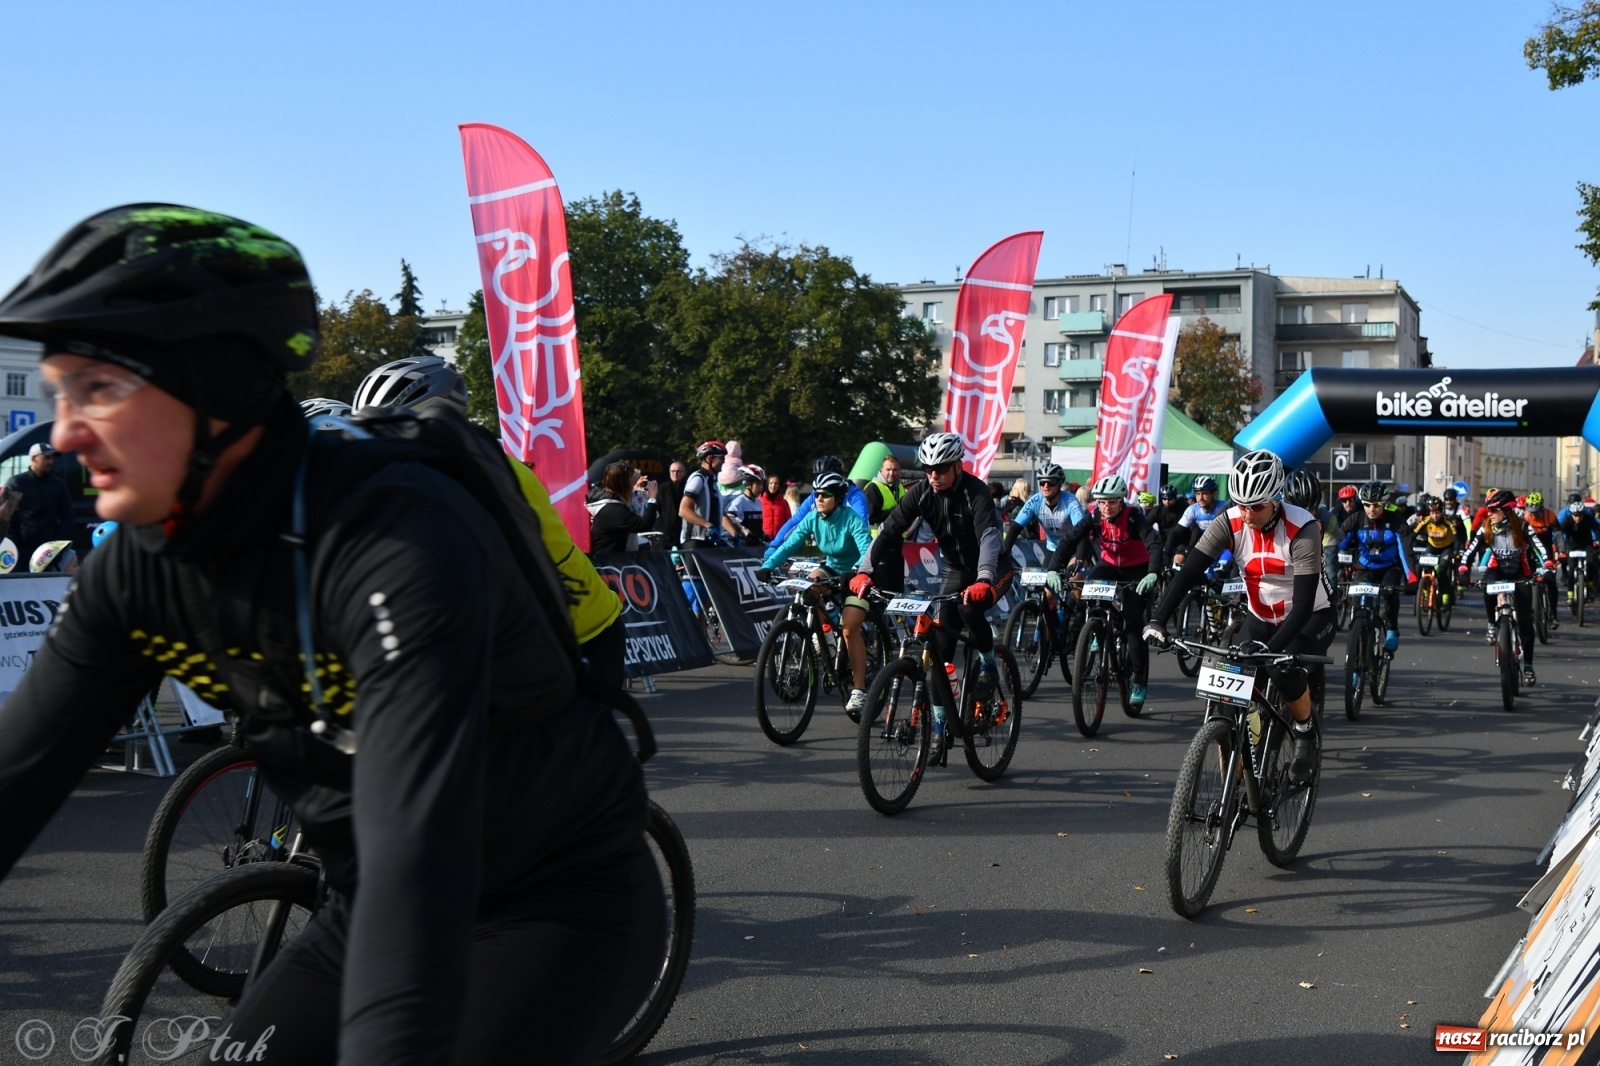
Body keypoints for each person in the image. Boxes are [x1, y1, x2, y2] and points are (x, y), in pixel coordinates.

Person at [0, 203, 662, 1064]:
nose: (65, 430)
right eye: (58, 392)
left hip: (549, 902)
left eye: (100, 388)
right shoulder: (137, 570)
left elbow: (414, 860)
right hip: (364, 905)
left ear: (220, 390)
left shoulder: (392, 541)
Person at [354, 356, 629, 686]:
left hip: (582, 631)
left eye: (394, 432)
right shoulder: (418, 479)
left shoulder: (500, 473)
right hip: (520, 635)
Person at [1144, 449, 1334, 782]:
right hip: (1260, 615)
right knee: (1231, 690)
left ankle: (1305, 732)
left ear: (1275, 499)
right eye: (1240, 504)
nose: (1246, 514)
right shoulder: (1229, 521)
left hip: (1310, 616)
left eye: (1255, 506)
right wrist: (1158, 619)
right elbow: (1189, 572)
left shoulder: (1304, 529)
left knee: (1281, 668)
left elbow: (1303, 604)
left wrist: (1271, 649)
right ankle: (1239, 773)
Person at [850, 433, 1011, 758]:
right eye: (928, 470)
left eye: (940, 469)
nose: (933, 475)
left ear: (956, 465)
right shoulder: (922, 493)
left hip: (993, 568)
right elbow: (890, 530)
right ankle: (939, 728)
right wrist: (864, 571)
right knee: (940, 656)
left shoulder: (975, 492)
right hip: (955, 569)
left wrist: (984, 579)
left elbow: (990, 538)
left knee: (969, 609)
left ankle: (989, 664)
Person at [1044, 473, 1164, 710]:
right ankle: (1097, 628)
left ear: (1121, 501)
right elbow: (1069, 540)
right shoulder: (1094, 516)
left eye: (1111, 501)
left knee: (1131, 622)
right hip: (1109, 565)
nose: (1105, 507)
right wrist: (1052, 570)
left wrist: (1153, 573)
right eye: (1101, 501)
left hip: (1137, 569)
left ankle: (1138, 678)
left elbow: (1154, 544)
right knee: (1090, 590)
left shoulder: (1134, 517)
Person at [758, 471, 874, 713]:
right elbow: (791, 543)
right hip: (831, 568)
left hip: (856, 574)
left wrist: (856, 572)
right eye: (816, 494)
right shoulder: (813, 518)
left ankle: (859, 689)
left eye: (826, 494)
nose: (819, 498)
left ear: (839, 497)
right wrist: (768, 565)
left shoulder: (851, 519)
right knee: (808, 589)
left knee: (850, 628)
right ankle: (826, 639)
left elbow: (866, 551)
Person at [1002, 463, 1087, 682]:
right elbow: (1015, 528)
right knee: (1047, 597)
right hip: (1052, 550)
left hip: (1073, 548)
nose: (1045, 486)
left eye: (1050, 483)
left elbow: (1082, 533)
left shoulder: (1071, 502)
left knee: (1076, 582)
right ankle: (1047, 643)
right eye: (1042, 483)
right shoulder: (1035, 501)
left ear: (1059, 485)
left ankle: (1079, 617)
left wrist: (1078, 559)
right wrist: (1003, 554)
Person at [1459, 490, 1552, 684]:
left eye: (1493, 510)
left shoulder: (1523, 527)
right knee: (1487, 586)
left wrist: (1548, 564)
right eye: (1488, 510)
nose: (1489, 514)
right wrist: (1463, 568)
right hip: (1497, 569)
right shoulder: (1487, 527)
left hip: (1521, 571)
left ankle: (1528, 665)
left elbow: (1540, 547)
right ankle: (1492, 624)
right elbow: (1470, 550)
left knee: (1526, 621)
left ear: (1506, 511)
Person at [1336, 480, 1417, 653]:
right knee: (1358, 608)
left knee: (1390, 595)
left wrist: (1412, 578)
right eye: (1367, 505)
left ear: (1385, 504)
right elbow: (1335, 543)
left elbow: (1405, 551)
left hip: (1389, 567)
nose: (1372, 509)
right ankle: (1357, 652)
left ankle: (1392, 630)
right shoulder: (1356, 519)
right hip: (1365, 568)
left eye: (1377, 505)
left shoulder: (1396, 521)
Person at [5, 441, 75, 564]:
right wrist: (15, 545)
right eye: (46, 458)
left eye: (52, 458)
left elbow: (68, 516)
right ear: (33, 459)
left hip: (49, 552)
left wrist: (57, 544)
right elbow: (6, 516)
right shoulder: (17, 483)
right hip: (21, 552)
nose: (51, 462)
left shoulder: (57, 484)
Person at [773, 455, 871, 543]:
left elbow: (861, 528)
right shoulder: (815, 495)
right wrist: (774, 545)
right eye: (818, 478)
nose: (822, 484)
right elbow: (795, 521)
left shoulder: (855, 496)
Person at [588, 460, 660, 553]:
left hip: (615, 560)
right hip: (608, 562)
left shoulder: (614, 504)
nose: (635, 483)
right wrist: (652, 498)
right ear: (623, 482)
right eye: (632, 478)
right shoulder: (612, 509)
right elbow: (643, 525)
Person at [679, 441, 741, 547]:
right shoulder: (698, 478)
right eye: (721, 458)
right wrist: (707, 525)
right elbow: (683, 510)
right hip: (695, 540)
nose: (724, 462)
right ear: (710, 459)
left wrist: (734, 533)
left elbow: (720, 513)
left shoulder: (713, 482)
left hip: (710, 541)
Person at [1411, 494, 1468, 608]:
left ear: (1441, 512)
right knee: (1421, 566)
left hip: (1446, 548)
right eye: (1432, 513)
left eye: (1437, 513)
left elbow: (1456, 539)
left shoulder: (1448, 522)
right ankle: (1425, 589)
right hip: (1432, 547)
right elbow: (1413, 534)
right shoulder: (1426, 521)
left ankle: (1446, 595)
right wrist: (1407, 546)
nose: (1435, 516)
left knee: (1441, 570)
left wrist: (1455, 552)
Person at [1167, 474, 1226, 567]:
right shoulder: (1192, 509)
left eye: (1205, 493)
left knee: (1223, 568)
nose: (1200, 497)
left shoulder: (1224, 507)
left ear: (1213, 493)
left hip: (1223, 546)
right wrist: (1166, 552)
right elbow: (1176, 532)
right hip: (1202, 546)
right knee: (1178, 560)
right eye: (1198, 494)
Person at [724, 465, 768, 544]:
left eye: (762, 484)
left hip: (757, 545)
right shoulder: (739, 502)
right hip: (744, 546)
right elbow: (729, 518)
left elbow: (756, 525)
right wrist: (745, 532)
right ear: (747, 484)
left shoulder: (758, 502)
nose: (761, 487)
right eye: (758, 484)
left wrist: (764, 534)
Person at [866, 453, 907, 527]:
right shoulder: (873, 487)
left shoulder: (900, 487)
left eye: (894, 470)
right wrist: (897, 511)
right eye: (888, 470)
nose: (891, 473)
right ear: (881, 470)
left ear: (899, 471)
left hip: (898, 535)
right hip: (878, 536)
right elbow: (872, 517)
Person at [657, 460, 688, 544]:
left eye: (678, 471)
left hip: (684, 529)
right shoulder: (662, 488)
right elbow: (657, 509)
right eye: (673, 471)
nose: (675, 474)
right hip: (666, 531)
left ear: (684, 473)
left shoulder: (688, 488)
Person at [761, 471, 792, 542]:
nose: (773, 486)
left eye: (776, 483)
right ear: (767, 484)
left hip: (779, 539)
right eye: (771, 483)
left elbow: (789, 521)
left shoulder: (784, 503)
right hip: (763, 539)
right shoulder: (760, 501)